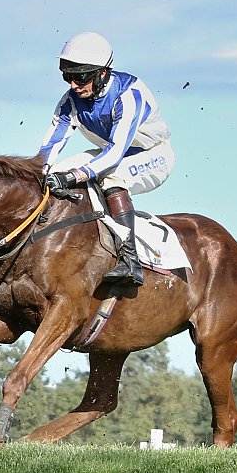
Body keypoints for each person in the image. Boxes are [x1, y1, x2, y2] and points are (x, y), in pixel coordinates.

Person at [38, 32, 172, 288]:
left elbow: (114, 153)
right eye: (67, 77)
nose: (74, 85)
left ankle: (129, 258)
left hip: (153, 155)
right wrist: (39, 172)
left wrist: (75, 176)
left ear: (102, 73)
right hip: (109, 154)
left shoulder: (129, 95)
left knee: (110, 177)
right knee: (54, 173)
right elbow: (50, 145)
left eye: (80, 77)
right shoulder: (70, 102)